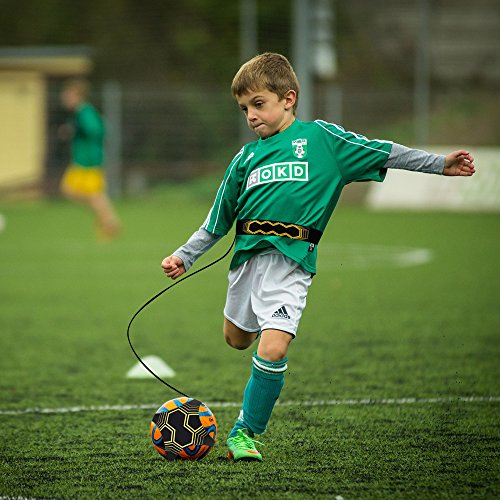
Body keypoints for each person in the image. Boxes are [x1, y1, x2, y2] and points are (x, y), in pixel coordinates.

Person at [161, 53, 475, 462]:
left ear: (288, 98)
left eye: (259, 104)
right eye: (244, 109)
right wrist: (184, 257)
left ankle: (245, 432)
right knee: (236, 339)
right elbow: (216, 220)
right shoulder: (245, 159)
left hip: (292, 264)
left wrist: (438, 164)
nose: (251, 116)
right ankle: (266, 335)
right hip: (246, 264)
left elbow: (384, 151)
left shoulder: (323, 140)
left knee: (272, 349)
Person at [59, 78, 121, 240]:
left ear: (78, 96)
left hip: (88, 161)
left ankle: (109, 222)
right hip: (82, 160)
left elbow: (97, 129)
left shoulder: (84, 111)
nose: (65, 98)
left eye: (68, 95)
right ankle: (107, 220)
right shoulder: (79, 113)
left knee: (91, 195)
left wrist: (76, 129)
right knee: (73, 192)